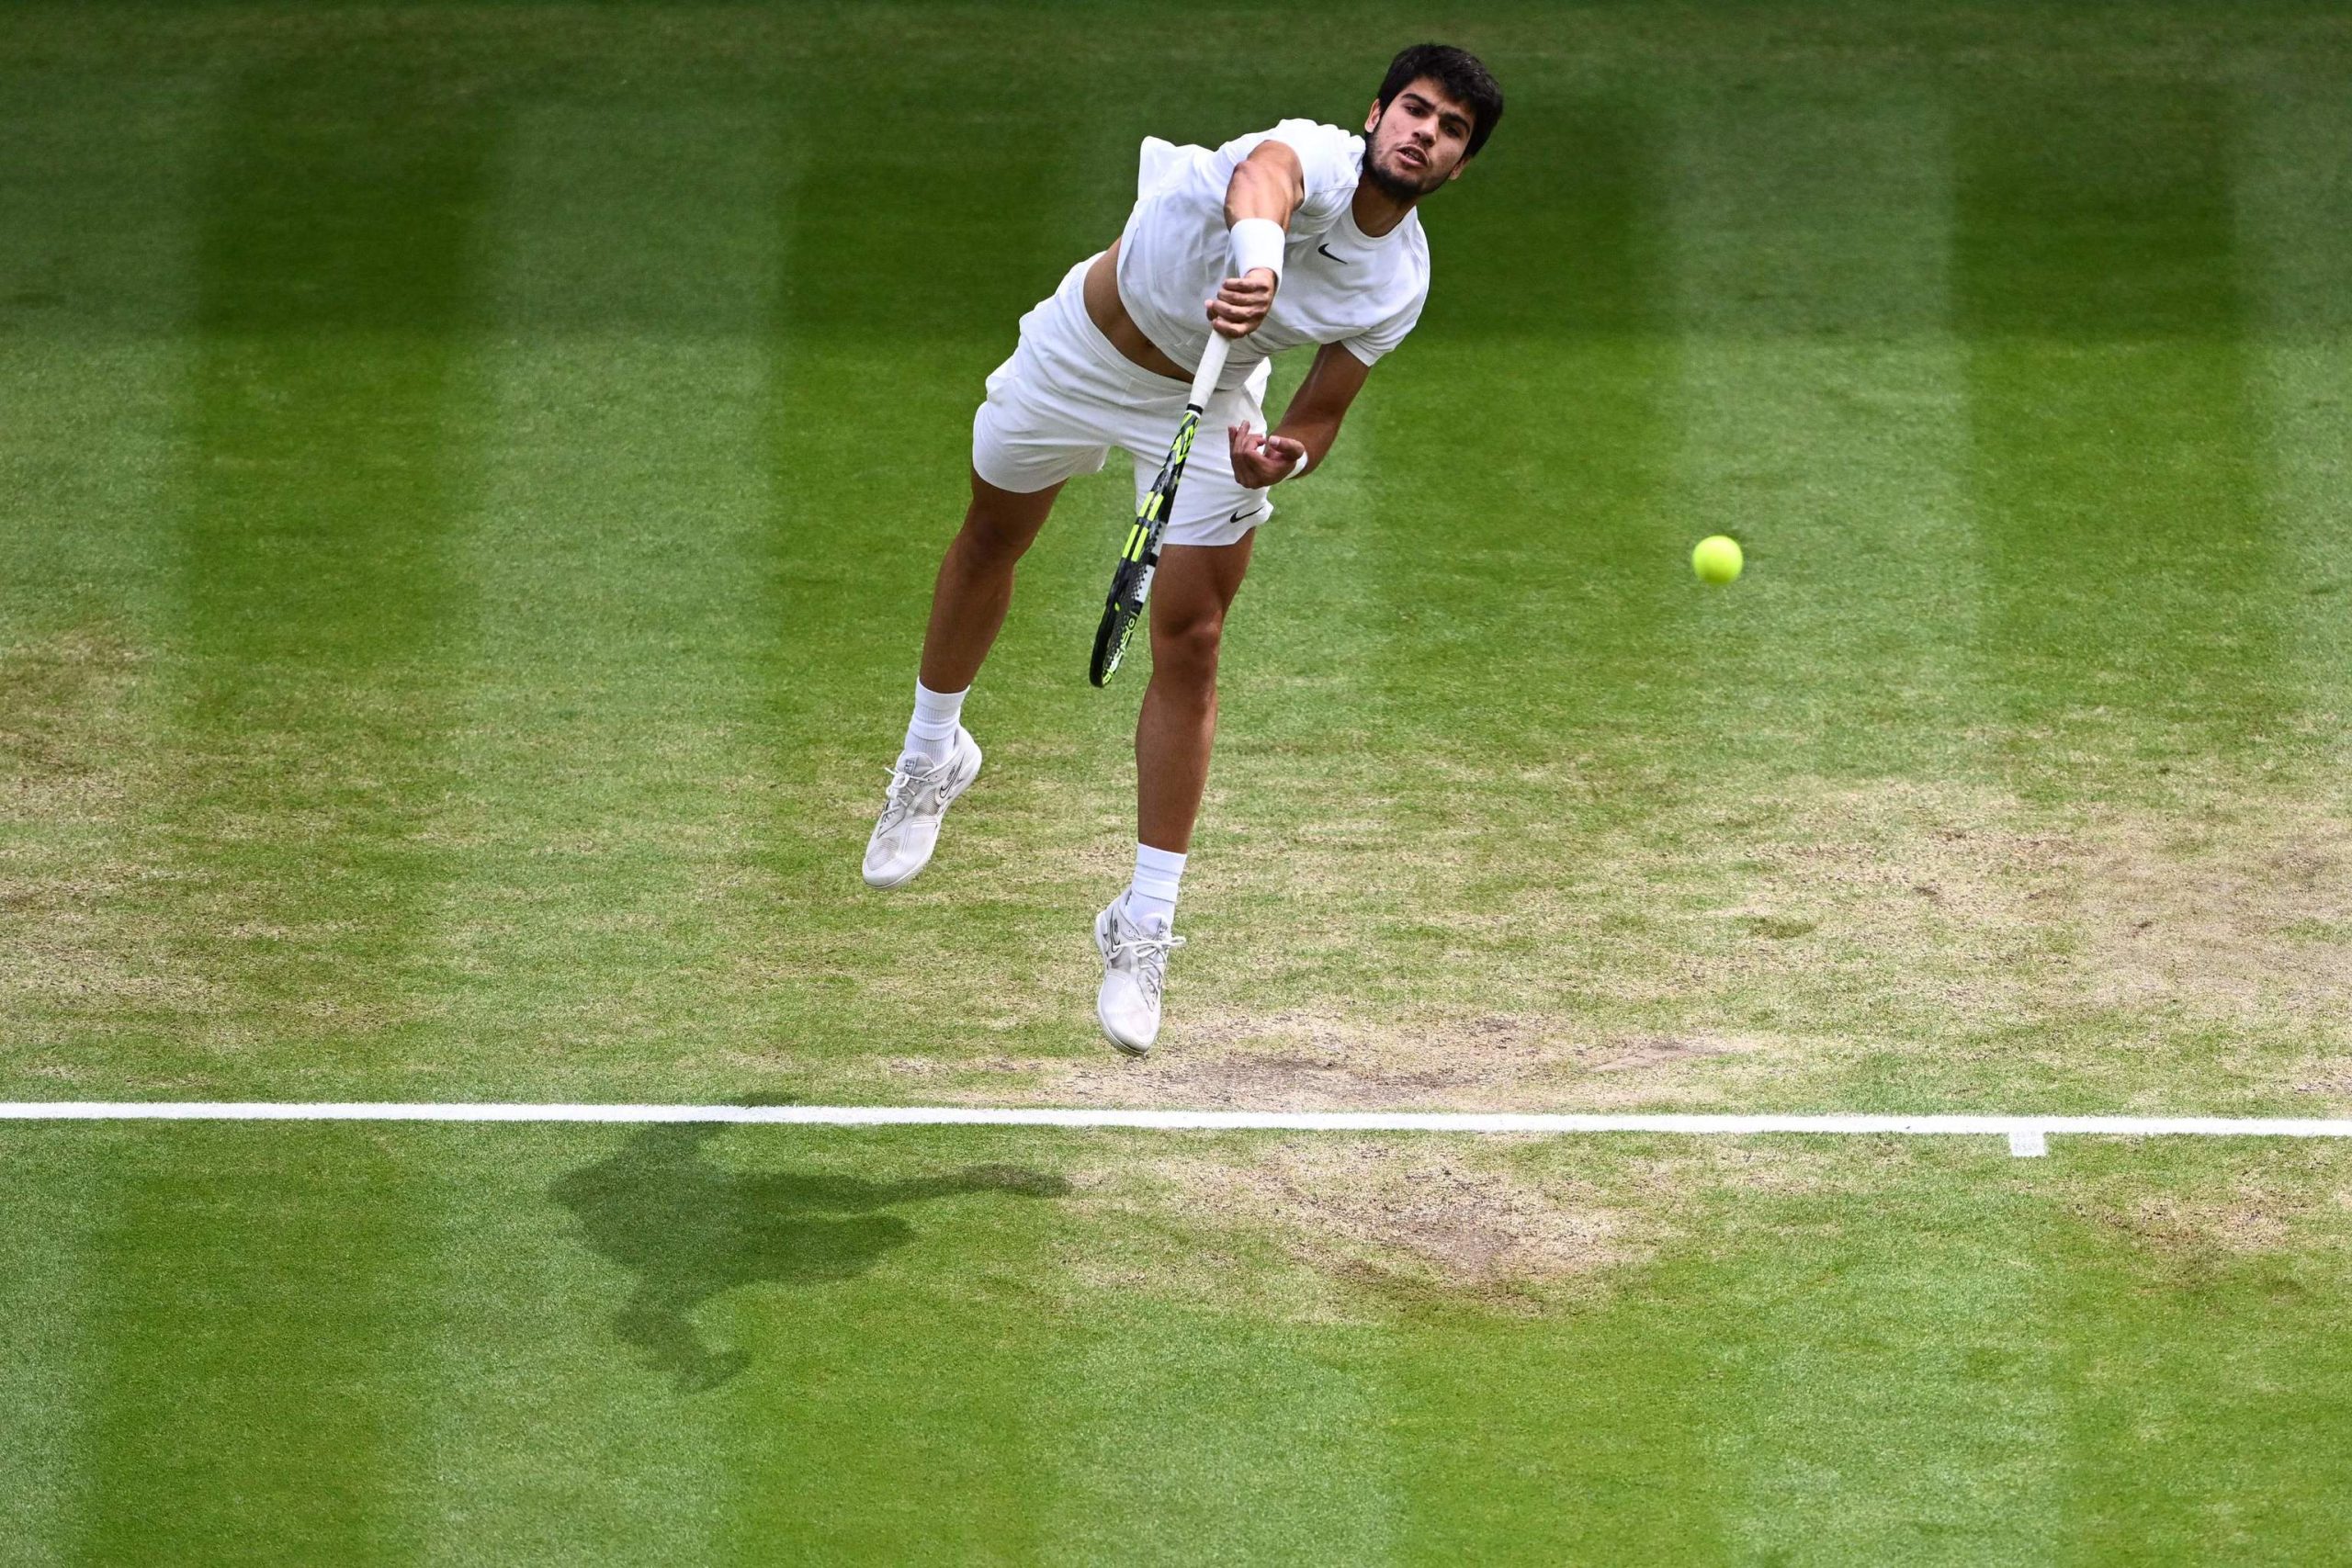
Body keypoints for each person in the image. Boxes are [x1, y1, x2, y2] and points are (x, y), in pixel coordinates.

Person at [862, 44, 1504, 1055]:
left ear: (1458, 167)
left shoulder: (1399, 286)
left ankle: (1143, 921)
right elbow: (1266, 181)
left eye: (1451, 129)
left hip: (1205, 412)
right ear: (1375, 114)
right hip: (1078, 350)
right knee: (991, 536)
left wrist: (1278, 461)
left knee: (1194, 640)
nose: (1425, 133)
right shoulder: (1311, 157)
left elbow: (1322, 414)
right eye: (1415, 111)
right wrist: (1260, 264)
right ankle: (931, 755)